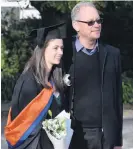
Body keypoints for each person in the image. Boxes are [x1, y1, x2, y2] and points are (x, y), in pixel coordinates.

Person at [63, 2, 123, 149]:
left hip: (105, 137)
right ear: (76, 25)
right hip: (74, 135)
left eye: (98, 21)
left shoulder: (112, 54)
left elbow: (117, 99)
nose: (96, 25)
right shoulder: (63, 52)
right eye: (90, 22)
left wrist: (118, 141)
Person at [4, 22, 67, 149]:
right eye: (55, 48)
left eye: (62, 48)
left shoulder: (53, 79)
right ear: (43, 50)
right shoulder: (29, 82)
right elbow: (21, 126)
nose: (60, 52)